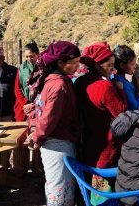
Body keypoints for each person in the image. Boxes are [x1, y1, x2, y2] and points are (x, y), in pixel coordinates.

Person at [25, 41, 81, 206]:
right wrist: (36, 137)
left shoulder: (51, 80)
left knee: (54, 184)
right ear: (61, 63)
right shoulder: (59, 85)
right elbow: (49, 118)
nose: (77, 67)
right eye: (75, 63)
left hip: (53, 142)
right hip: (58, 144)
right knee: (59, 187)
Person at [74, 42, 127, 204]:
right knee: (104, 193)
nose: (113, 69)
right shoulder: (104, 86)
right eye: (109, 65)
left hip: (88, 142)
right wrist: (120, 89)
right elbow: (122, 113)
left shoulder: (80, 82)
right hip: (106, 146)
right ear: (97, 65)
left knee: (90, 185)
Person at [13, 41, 39, 175]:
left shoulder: (42, 68)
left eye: (32, 56)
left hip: (38, 106)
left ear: (38, 55)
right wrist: (25, 103)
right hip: (23, 107)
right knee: (21, 136)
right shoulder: (21, 68)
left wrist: (34, 104)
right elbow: (17, 88)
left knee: (37, 135)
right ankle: (20, 168)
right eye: (27, 56)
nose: (29, 59)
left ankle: (37, 168)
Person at [112, 45, 139, 110]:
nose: (135, 66)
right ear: (122, 65)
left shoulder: (117, 78)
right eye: (132, 64)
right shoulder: (123, 85)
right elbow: (137, 108)